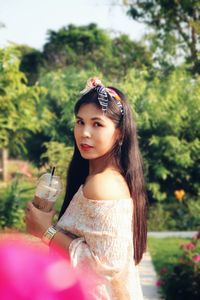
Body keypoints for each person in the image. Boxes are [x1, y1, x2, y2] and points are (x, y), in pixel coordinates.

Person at [25, 77, 147, 300]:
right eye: (80, 122)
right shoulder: (97, 177)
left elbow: (105, 268)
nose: (85, 133)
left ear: (119, 132)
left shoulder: (104, 184)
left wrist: (47, 231)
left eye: (97, 124)